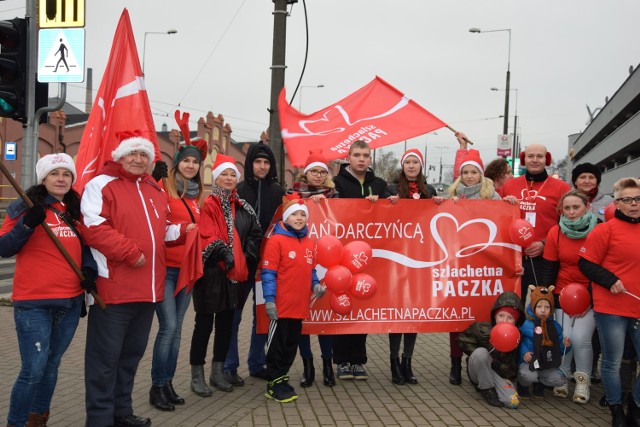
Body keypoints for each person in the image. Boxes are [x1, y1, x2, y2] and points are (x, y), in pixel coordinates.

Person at [81, 134, 187, 427]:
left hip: (148, 290)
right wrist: (129, 252)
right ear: (120, 156)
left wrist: (182, 231)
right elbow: (93, 227)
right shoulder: (101, 184)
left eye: (144, 155)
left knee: (130, 357)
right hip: (115, 289)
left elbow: (161, 230)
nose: (139, 160)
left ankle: (121, 413)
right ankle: (100, 419)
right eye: (133, 154)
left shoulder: (154, 188)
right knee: (104, 361)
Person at [1, 154, 95, 427]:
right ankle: (16, 422)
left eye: (66, 173)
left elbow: (86, 247)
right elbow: (4, 248)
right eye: (55, 173)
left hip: (70, 300)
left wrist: (89, 270)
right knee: (33, 369)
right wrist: (27, 224)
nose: (61, 178)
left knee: (51, 365)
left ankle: (38, 417)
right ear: (43, 178)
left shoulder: (76, 209)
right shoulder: (25, 206)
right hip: (34, 303)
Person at [189, 154, 262, 396]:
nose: (229, 178)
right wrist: (222, 250)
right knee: (204, 325)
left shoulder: (243, 207)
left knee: (226, 325)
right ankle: (196, 374)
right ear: (216, 178)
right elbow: (206, 234)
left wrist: (249, 251)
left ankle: (217, 371)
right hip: (211, 273)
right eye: (224, 174)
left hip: (236, 274)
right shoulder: (208, 203)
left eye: (233, 174)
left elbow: (255, 231)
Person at [444, 133, 511, 386]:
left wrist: (510, 203)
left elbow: (505, 223)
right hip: (458, 264)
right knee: (455, 316)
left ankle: (476, 363)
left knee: (480, 315)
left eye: (474, 172)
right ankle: (454, 364)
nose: (469, 176)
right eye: (466, 172)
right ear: (460, 175)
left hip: (484, 264)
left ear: (481, 175)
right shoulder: (452, 197)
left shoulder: (493, 198)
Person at [148, 137, 208, 411]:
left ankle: (168, 383)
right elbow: (157, 229)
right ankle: (157, 386)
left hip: (187, 271)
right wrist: (183, 231)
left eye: (195, 161)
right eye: (186, 160)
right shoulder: (163, 188)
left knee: (176, 330)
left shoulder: (199, 196)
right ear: (177, 163)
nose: (190, 165)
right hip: (166, 269)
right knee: (168, 327)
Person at [578, 177, 640, 427]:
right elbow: (586, 263)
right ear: (617, 203)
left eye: (638, 199)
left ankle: (635, 406)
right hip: (612, 306)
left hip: (638, 305)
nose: (634, 204)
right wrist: (610, 279)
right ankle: (616, 411)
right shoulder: (605, 230)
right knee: (612, 361)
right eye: (628, 199)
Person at [224, 142, 285, 384]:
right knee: (234, 316)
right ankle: (229, 366)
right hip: (240, 265)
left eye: (266, 162)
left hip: (267, 267)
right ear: (250, 164)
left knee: (262, 316)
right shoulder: (237, 191)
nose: (262, 166)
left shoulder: (279, 192)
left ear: (271, 166)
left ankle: (257, 362)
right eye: (258, 162)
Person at [261, 193, 326, 402]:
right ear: (285, 218)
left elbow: (311, 270)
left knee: (290, 345)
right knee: (276, 345)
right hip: (280, 307)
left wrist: (316, 286)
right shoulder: (276, 241)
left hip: (299, 306)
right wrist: (269, 300)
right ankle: (273, 384)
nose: (299, 218)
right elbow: (268, 273)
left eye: (302, 215)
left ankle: (282, 378)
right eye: (294, 214)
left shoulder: (308, 242)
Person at [332, 139, 388, 381]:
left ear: (370, 159)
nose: (362, 159)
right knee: (343, 306)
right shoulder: (337, 183)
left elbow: (396, 210)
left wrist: (387, 201)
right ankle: (342, 360)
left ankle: (358, 360)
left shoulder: (380, 184)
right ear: (349, 157)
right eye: (357, 155)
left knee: (363, 307)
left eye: (366, 155)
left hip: (370, 256)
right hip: (343, 255)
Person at [540, 189, 598, 403]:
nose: (571, 212)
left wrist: (590, 298)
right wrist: (545, 296)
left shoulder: (598, 231)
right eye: (567, 208)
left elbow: (603, 268)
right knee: (564, 338)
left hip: (591, 296)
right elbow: (549, 267)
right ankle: (562, 376)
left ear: (587, 207)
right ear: (561, 210)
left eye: (576, 207)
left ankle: (583, 380)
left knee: (580, 338)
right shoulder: (556, 232)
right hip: (561, 293)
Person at [287, 150, 337, 387]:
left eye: (322, 171)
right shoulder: (291, 194)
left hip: (328, 261)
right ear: (305, 173)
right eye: (314, 171)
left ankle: (328, 365)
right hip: (300, 258)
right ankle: (308, 365)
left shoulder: (335, 195)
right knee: (303, 321)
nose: (318, 175)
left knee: (324, 320)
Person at [386, 148, 436, 385]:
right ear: (403, 165)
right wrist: (389, 204)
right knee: (398, 312)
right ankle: (394, 361)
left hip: (420, 259)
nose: (412, 166)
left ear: (421, 165)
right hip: (396, 259)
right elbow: (379, 216)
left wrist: (439, 203)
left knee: (413, 313)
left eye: (416, 162)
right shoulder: (391, 189)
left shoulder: (431, 190)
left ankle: (408, 361)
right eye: (408, 162)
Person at [498, 144, 571, 298]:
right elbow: (495, 216)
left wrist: (544, 243)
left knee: (541, 307)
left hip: (544, 260)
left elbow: (567, 224)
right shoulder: (509, 186)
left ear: (547, 159)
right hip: (512, 258)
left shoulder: (562, 188)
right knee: (511, 306)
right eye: (531, 156)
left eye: (540, 156)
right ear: (524, 159)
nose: (535, 160)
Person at [457, 292, 525, 409]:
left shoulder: (518, 337)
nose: (504, 320)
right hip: (478, 371)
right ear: (494, 315)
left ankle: (495, 387)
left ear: (516, 320)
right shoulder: (481, 328)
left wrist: (498, 360)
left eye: (510, 318)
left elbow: (511, 370)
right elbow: (461, 340)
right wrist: (482, 355)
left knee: (512, 402)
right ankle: (487, 389)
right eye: (501, 315)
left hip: (499, 374)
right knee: (480, 353)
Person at [517, 285, 568, 399]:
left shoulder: (555, 327)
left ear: (552, 309)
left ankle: (540, 385)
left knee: (561, 379)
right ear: (533, 306)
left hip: (546, 362)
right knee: (528, 375)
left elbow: (558, 349)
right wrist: (524, 353)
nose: (543, 310)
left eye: (547, 307)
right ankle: (522, 385)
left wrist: (565, 346)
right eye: (539, 306)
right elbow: (520, 342)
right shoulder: (525, 323)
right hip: (529, 362)